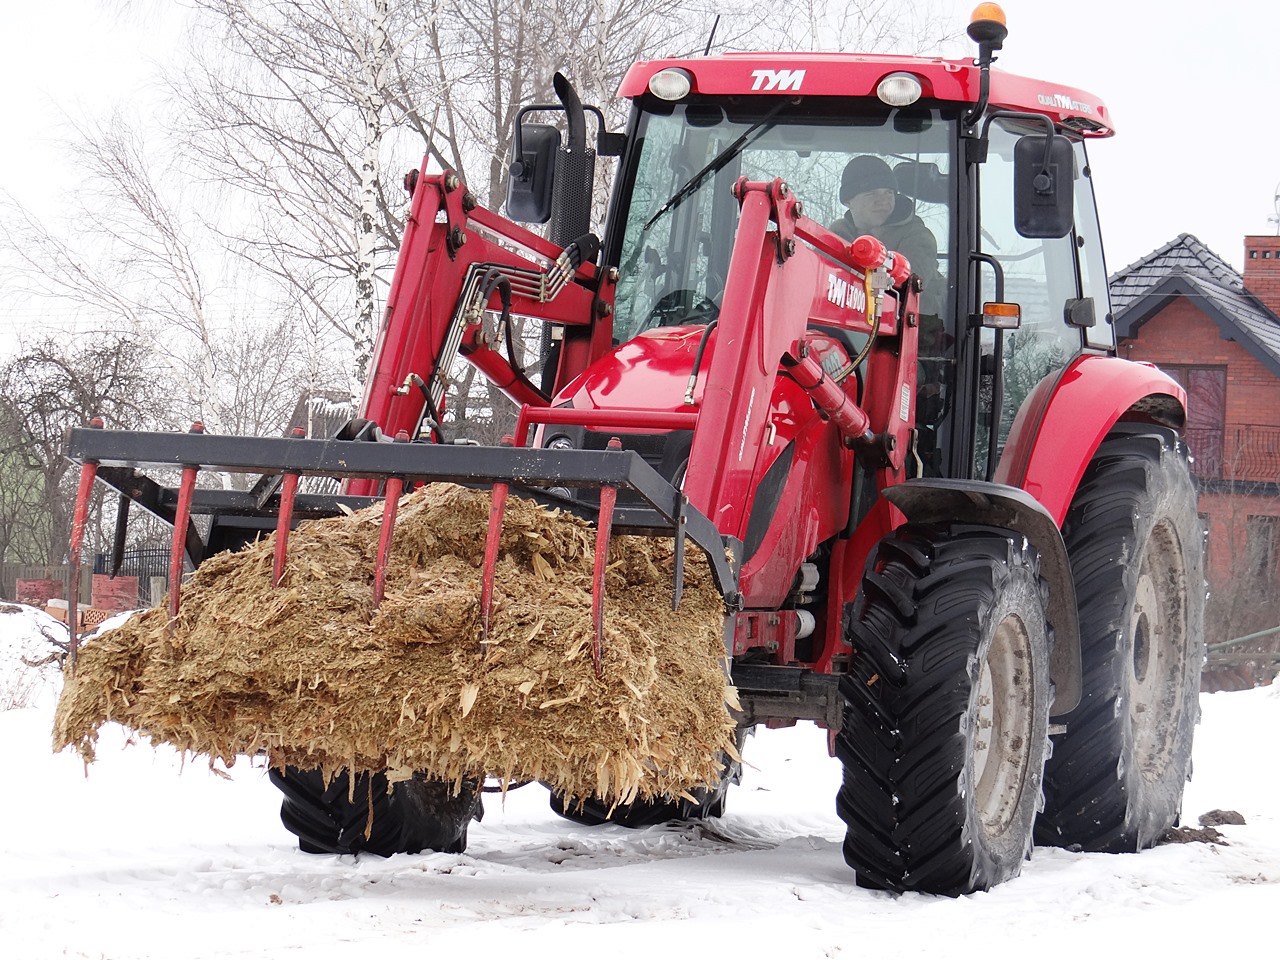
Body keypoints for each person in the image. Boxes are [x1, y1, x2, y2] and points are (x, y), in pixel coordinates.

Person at [829, 155, 944, 317]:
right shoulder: (837, 235)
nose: (883, 201)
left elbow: (909, 284)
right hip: (852, 318)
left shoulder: (917, 236)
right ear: (848, 201)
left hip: (918, 321)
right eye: (871, 194)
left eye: (889, 193)